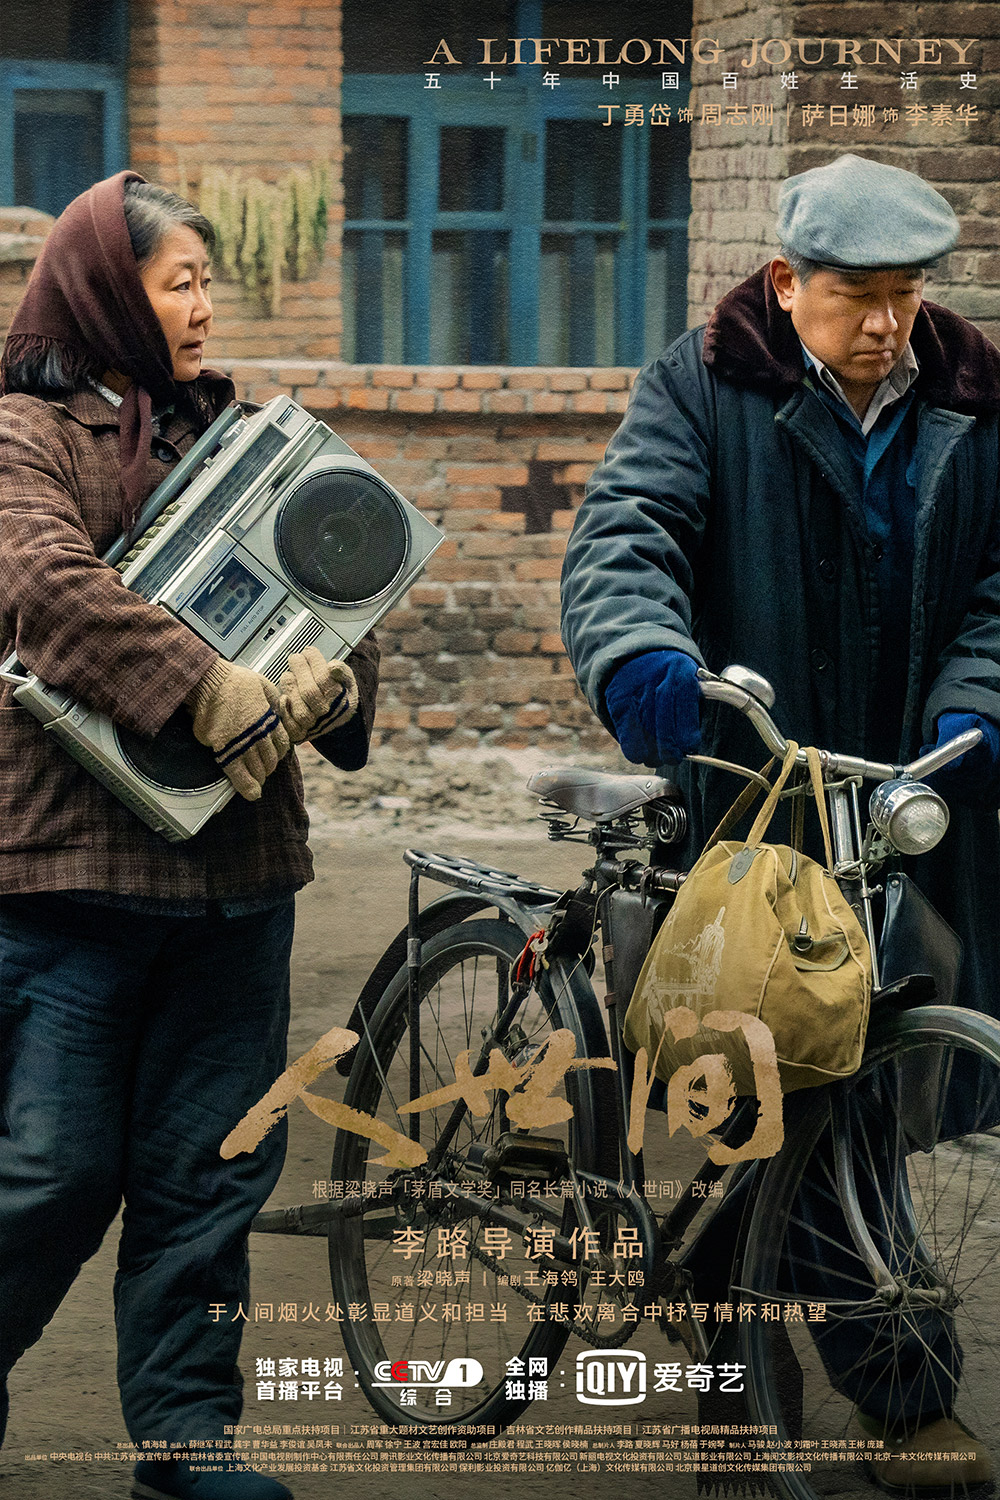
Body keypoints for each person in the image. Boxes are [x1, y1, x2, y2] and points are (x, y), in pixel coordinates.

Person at [561, 153, 1000, 1488]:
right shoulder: (703, 386)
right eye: (858, 296)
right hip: (761, 798)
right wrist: (649, 666)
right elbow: (625, 538)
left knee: (861, 1090)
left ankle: (718, 1304)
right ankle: (895, 1394)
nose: (887, 324)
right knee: (822, 1088)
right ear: (784, 283)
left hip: (916, 798)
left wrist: (968, 712)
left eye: (907, 293)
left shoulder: (975, 400)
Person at [0, 172, 379, 1500]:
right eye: (180, 282)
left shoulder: (245, 432)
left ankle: (188, 1443)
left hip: (234, 882)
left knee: (209, 1175)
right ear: (111, 287)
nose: (206, 304)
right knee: (46, 1175)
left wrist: (330, 679)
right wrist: (208, 686)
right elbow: (40, 582)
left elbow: (338, 586)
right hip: (69, 884)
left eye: (211, 281)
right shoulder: (27, 433)